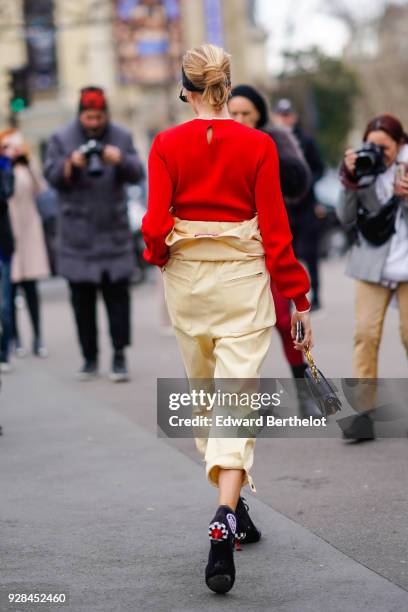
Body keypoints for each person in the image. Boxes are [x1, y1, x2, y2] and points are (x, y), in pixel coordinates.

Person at [142, 44, 313, 594]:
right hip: (243, 284)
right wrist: (298, 298)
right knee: (236, 401)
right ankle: (226, 515)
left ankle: (230, 507)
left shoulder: (165, 144)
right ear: (226, 84)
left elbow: (153, 223)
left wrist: (161, 254)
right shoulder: (259, 144)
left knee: (206, 402)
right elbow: (277, 232)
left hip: (189, 286)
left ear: (186, 88)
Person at [229, 85, 320, 418]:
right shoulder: (217, 142)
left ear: (259, 115)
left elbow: (299, 182)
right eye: (233, 113)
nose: (239, 119)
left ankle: (304, 388)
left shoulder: (273, 140)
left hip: (273, 243)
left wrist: (265, 156)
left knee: (284, 320)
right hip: (233, 249)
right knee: (244, 325)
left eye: (246, 114)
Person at [44, 87, 145, 381]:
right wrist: (70, 165)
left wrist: (120, 160)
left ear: (106, 115)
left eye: (98, 117)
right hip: (78, 237)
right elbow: (51, 177)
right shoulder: (61, 138)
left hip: (113, 232)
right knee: (82, 304)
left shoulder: (121, 136)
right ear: (80, 115)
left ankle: (119, 356)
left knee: (119, 302)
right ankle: (89, 358)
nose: (93, 123)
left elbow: (138, 171)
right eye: (88, 117)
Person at [337, 113, 408, 440]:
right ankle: (363, 414)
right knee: (365, 335)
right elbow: (346, 217)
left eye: (387, 147)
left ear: (400, 144)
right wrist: (349, 180)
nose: (380, 153)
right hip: (371, 265)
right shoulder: (363, 167)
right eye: (373, 145)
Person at [0, 130, 49, 360]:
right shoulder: (3, 170)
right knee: (9, 295)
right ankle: (15, 338)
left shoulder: (25, 169)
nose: (14, 151)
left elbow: (40, 188)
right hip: (9, 235)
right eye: (9, 146)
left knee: (31, 291)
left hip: (29, 235)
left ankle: (38, 338)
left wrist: (27, 163)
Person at [273, 98, 325, 310]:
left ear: (294, 116)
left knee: (310, 253)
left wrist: (306, 182)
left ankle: (317, 295)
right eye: (281, 114)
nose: (285, 119)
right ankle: (286, 297)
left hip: (306, 206)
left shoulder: (306, 140)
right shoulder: (272, 140)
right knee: (287, 254)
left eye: (288, 114)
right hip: (285, 207)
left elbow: (319, 168)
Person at [0, 138, 15, 373]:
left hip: (1, 249)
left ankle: (4, 352)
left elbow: (6, 193)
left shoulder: (4, 166)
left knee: (4, 305)